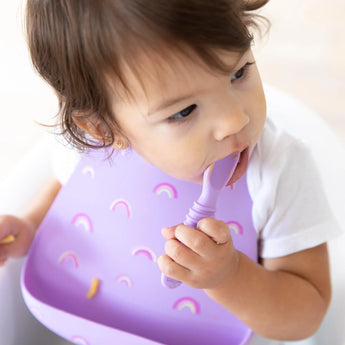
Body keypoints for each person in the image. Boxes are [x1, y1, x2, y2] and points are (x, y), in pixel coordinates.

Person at [0, 0, 341, 344]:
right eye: (185, 111)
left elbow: (307, 314)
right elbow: (70, 189)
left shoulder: (280, 170)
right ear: (104, 129)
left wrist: (229, 277)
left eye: (238, 73)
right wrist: (31, 225)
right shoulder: (91, 148)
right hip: (97, 323)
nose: (235, 120)